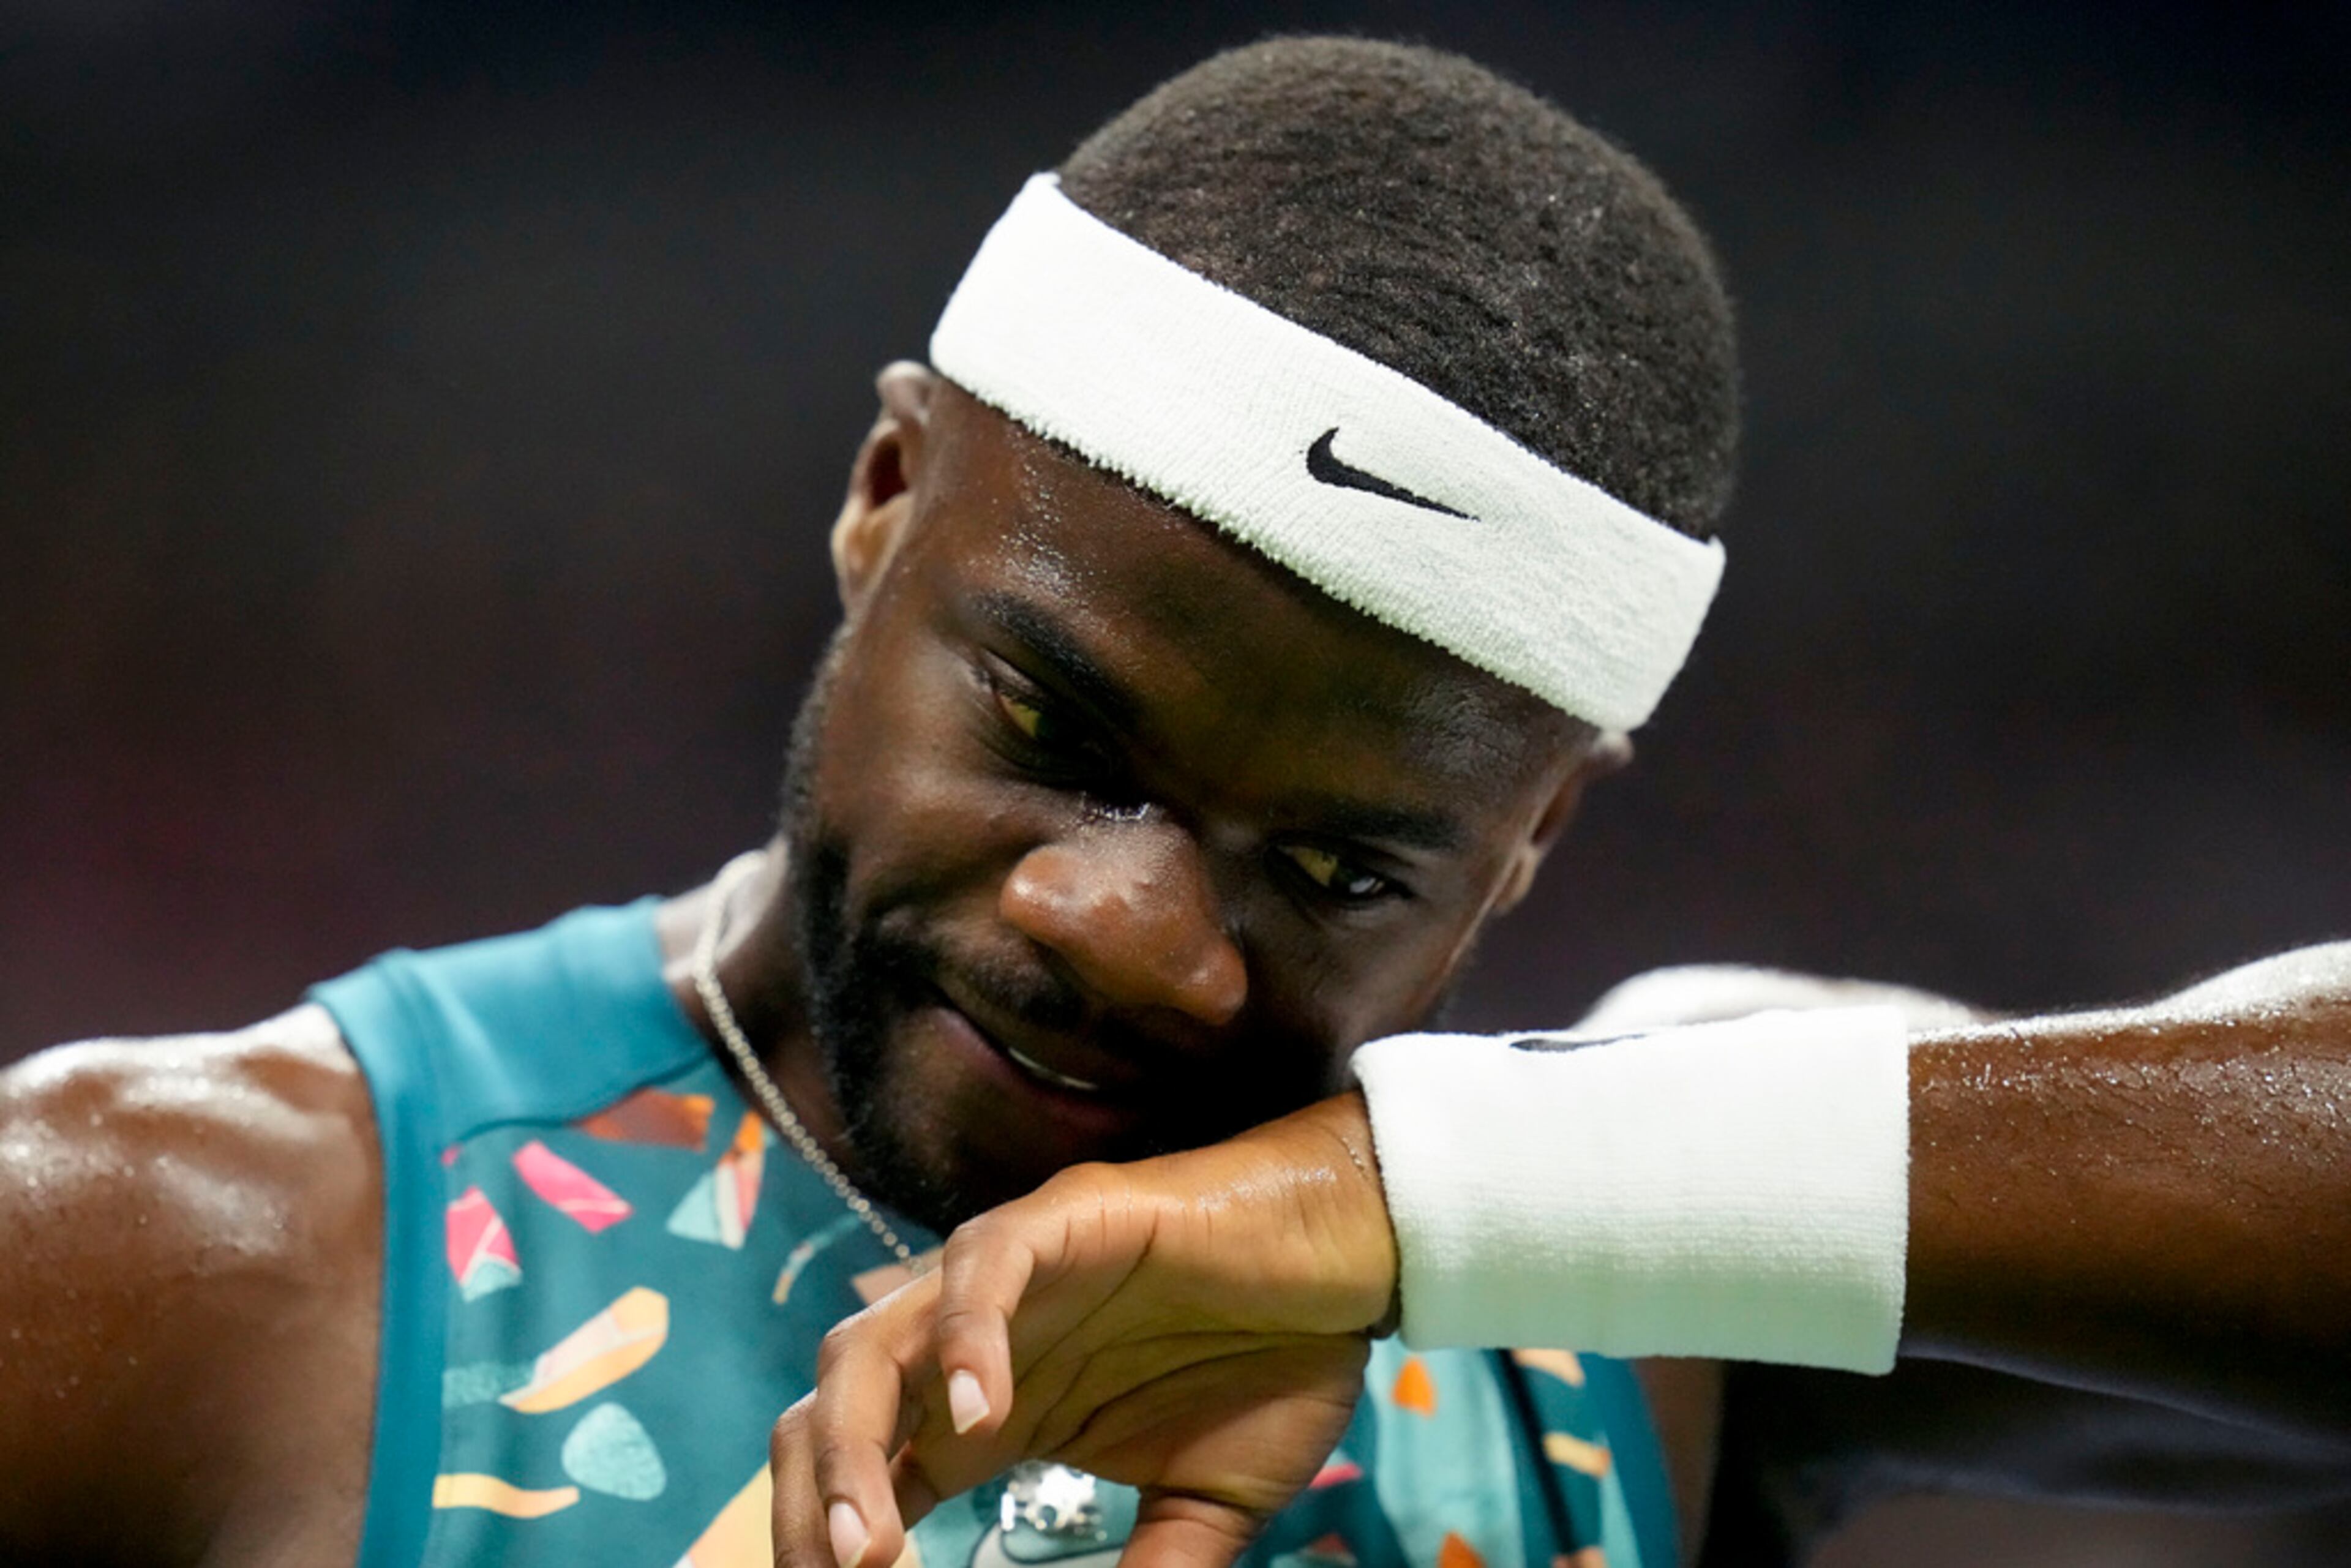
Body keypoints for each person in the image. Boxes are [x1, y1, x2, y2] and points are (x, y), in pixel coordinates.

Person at [0, 36, 2338, 1568]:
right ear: (884, 491)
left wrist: (1435, 1207)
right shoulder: (196, 1252)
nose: (1131, 931)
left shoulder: (1639, 1292)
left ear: (1529, 845)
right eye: (1061, 734)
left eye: (1339, 866)